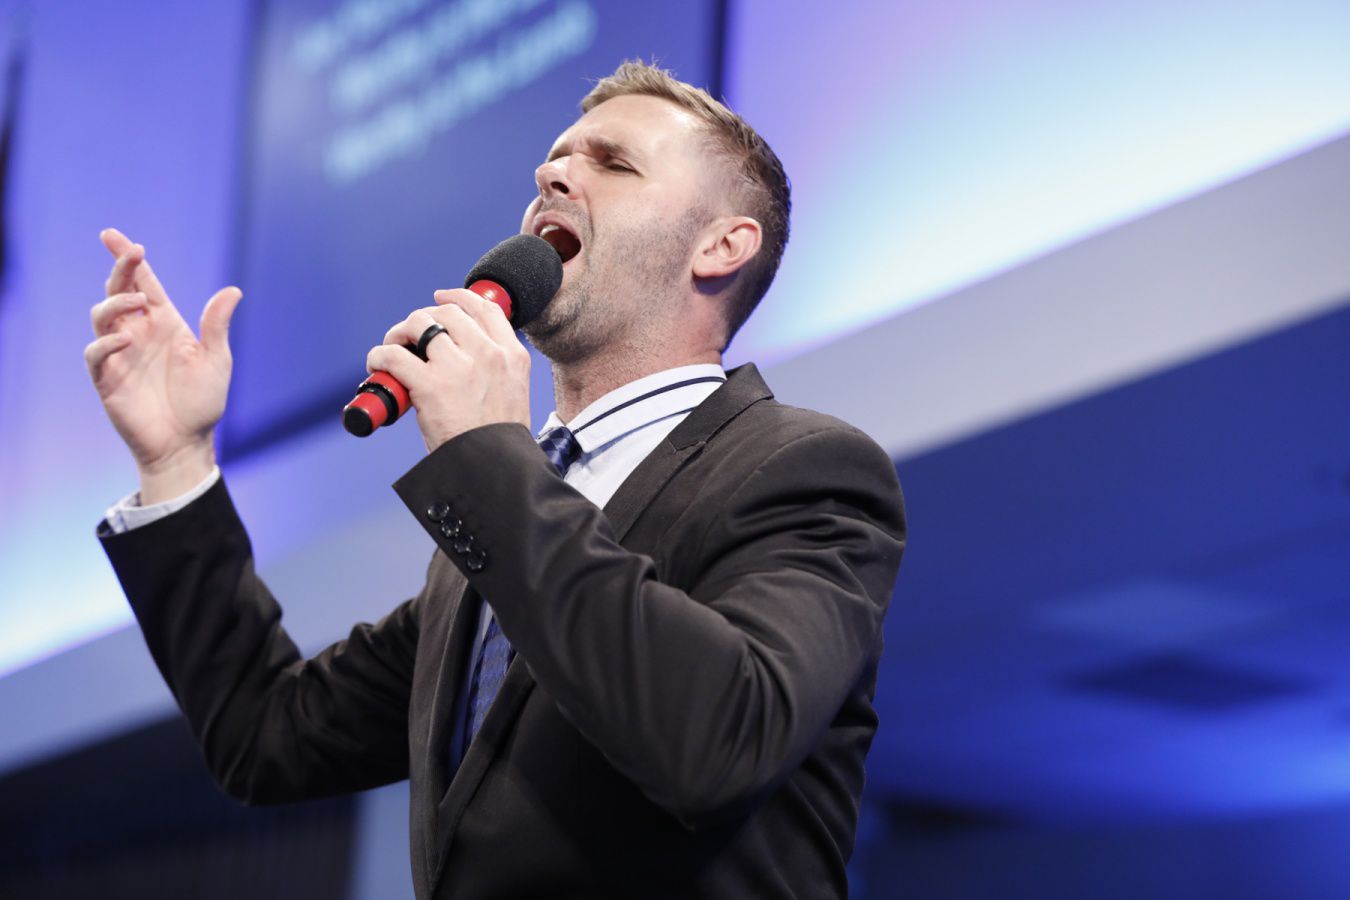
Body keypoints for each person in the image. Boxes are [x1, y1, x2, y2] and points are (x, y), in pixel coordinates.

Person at [85, 61, 905, 899]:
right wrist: (174, 461)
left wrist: (488, 454)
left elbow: (717, 742)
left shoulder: (805, 470)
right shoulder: (492, 535)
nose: (553, 176)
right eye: (553, 161)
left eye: (613, 163)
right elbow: (271, 736)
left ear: (722, 246)